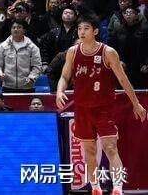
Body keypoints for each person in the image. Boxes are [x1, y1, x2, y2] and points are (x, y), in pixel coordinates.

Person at [55, 15, 148, 195]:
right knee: (89, 152)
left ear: (96, 31)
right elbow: (65, 76)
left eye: (86, 28)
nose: (82, 32)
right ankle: (95, 188)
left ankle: (118, 188)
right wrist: (60, 91)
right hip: (83, 109)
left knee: (110, 148)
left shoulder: (108, 52)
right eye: (79, 29)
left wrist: (136, 104)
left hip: (104, 109)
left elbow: (123, 79)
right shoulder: (73, 52)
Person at [0, 21, 43, 93]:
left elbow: (37, 66)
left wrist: (32, 78)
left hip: (27, 87)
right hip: (7, 87)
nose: (15, 29)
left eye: (19, 27)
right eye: (13, 27)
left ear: (24, 31)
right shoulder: (3, 46)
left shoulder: (32, 47)